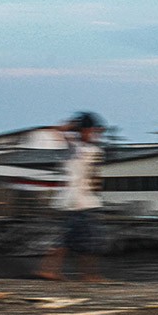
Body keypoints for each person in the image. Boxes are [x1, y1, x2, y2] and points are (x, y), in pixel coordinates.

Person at [34, 111, 108, 282]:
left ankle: (54, 271)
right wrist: (73, 125)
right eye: (91, 131)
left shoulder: (92, 149)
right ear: (83, 131)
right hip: (77, 201)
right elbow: (58, 130)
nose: (95, 135)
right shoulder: (75, 147)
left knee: (73, 239)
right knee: (87, 239)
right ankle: (87, 275)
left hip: (83, 199)